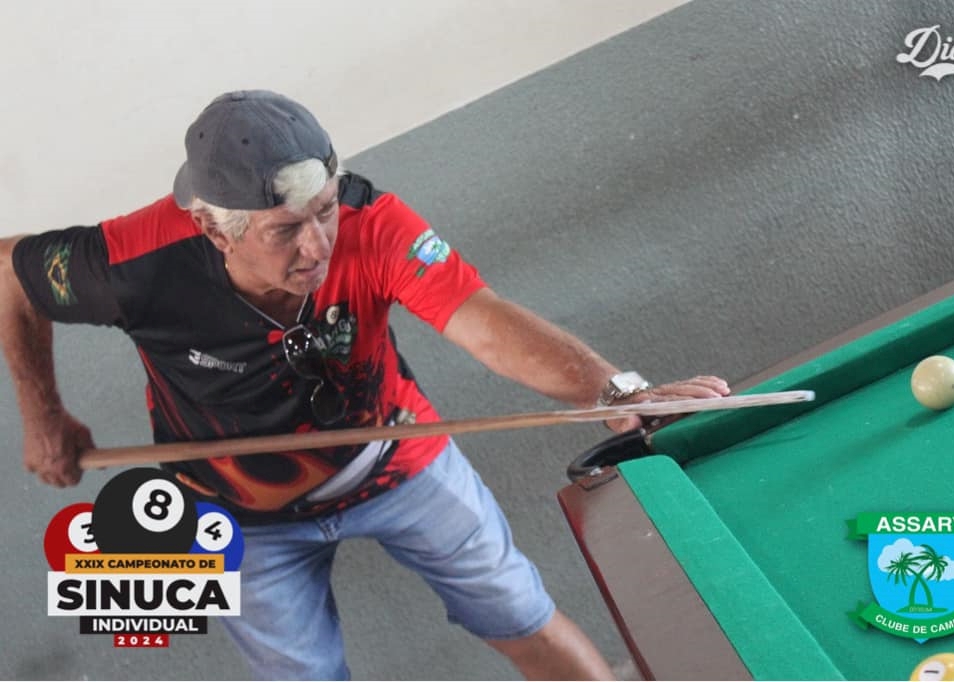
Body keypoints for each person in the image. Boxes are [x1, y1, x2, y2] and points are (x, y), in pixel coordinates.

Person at [0, 90, 730, 680]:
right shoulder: (131, 260)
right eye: (285, 231)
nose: (318, 245)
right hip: (239, 514)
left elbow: (485, 322)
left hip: (399, 458)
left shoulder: (373, 222)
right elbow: (9, 273)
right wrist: (44, 415)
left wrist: (613, 391)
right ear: (215, 230)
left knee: (522, 617)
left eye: (325, 212)